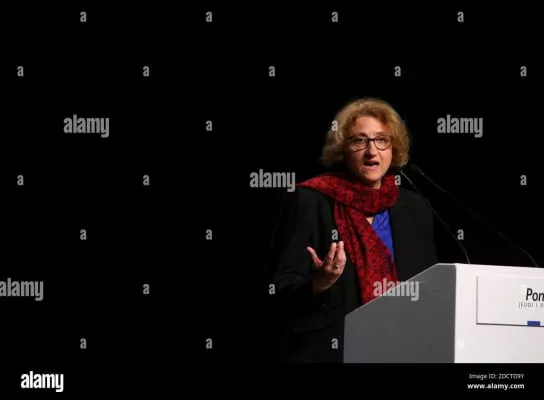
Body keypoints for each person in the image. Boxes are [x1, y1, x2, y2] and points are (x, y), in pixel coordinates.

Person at [264, 97, 438, 363]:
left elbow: (432, 286)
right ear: (342, 149)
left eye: (382, 140)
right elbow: (276, 289)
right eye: (359, 141)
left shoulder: (414, 208)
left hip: (401, 350)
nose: (372, 151)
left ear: (393, 148)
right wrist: (318, 282)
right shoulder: (310, 201)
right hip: (330, 354)